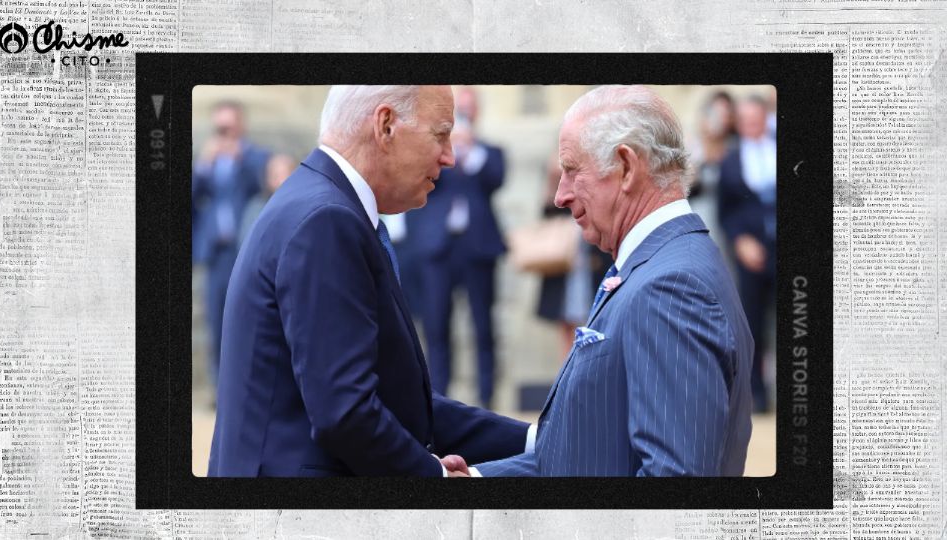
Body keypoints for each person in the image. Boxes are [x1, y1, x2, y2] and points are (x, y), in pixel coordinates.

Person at [207, 85, 532, 478]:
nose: (449, 156)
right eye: (440, 134)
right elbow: (347, 414)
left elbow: (397, 401)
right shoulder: (326, 220)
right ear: (386, 126)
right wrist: (439, 478)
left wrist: (536, 441)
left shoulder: (323, 204)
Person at [470, 85, 754, 477]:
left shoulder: (670, 287)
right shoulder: (655, 264)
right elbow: (583, 454)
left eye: (571, 170)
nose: (560, 195)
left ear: (625, 166)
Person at [406, 87, 507, 408]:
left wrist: (471, 149)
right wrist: (450, 150)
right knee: (436, 328)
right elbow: (425, 185)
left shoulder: (490, 152)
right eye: (458, 107)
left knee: (483, 327)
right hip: (438, 249)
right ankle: (438, 400)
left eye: (468, 107)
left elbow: (496, 179)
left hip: (477, 249)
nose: (464, 113)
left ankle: (487, 398)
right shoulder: (431, 152)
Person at [192, 101, 270, 390]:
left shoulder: (256, 157)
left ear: (241, 125)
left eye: (228, 126)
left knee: (251, 322)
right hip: (216, 254)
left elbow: (268, 183)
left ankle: (250, 388)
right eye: (219, 127)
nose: (223, 132)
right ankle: (221, 389)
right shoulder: (208, 163)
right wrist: (202, 166)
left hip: (246, 253)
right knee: (216, 324)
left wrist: (241, 159)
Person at [718, 95, 777, 413]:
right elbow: (727, 211)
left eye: (756, 119)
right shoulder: (731, 160)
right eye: (745, 121)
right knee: (752, 322)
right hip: (751, 251)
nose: (751, 125)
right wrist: (740, 240)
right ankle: (757, 395)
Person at [535, 154, 614, 357]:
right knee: (566, 319)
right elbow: (548, 212)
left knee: (593, 318)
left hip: (592, 265)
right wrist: (553, 179)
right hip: (567, 264)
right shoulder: (560, 192)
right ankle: (567, 371)